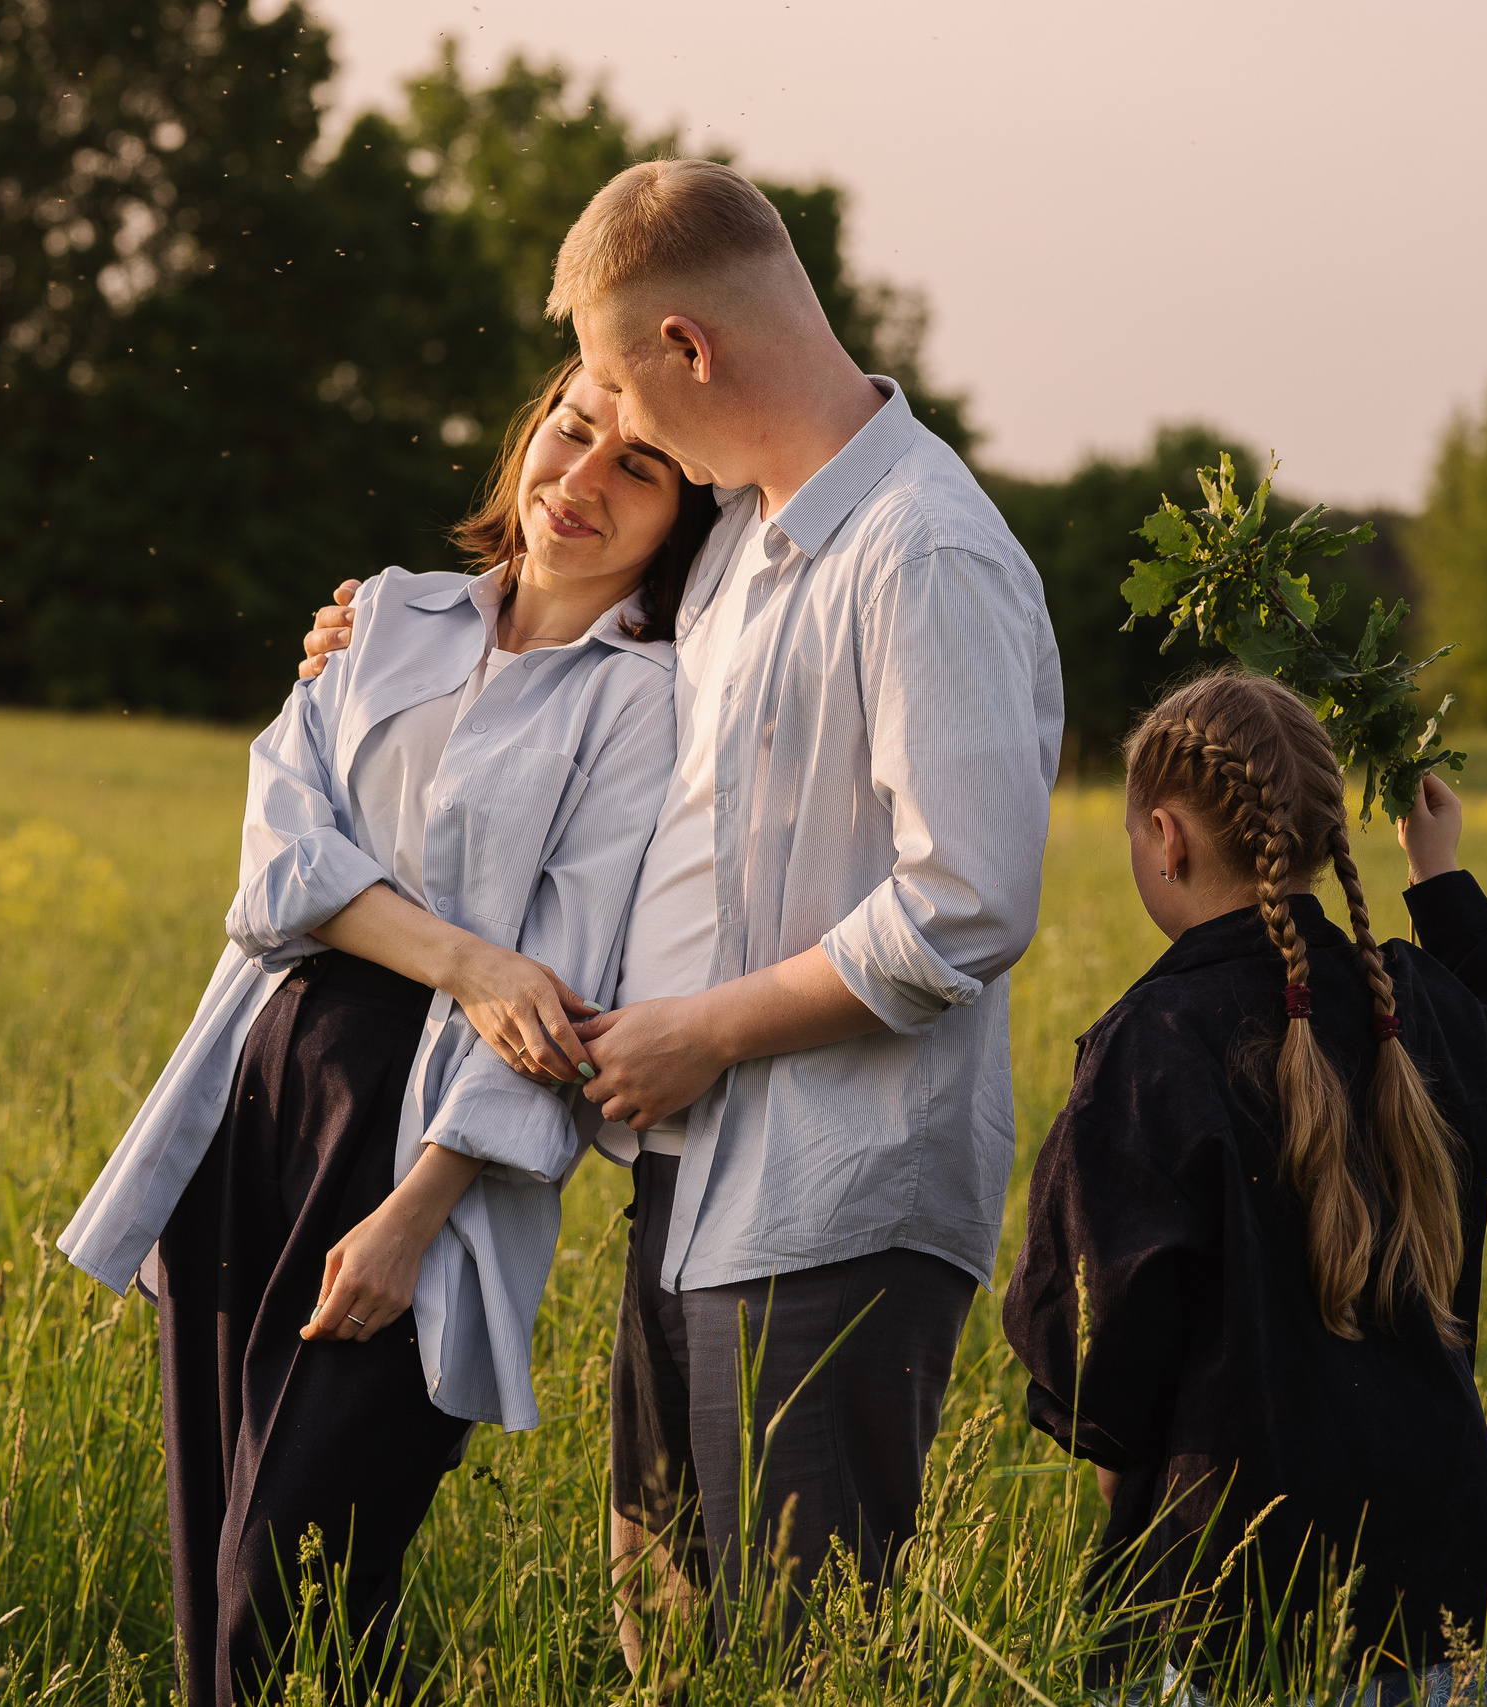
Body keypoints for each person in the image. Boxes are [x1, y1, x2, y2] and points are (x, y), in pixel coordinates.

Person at [303, 157, 1064, 1655]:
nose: (609, 424)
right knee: (663, 1636)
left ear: (687, 352)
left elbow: (969, 900)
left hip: (831, 1194)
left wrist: (705, 1031)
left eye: (612, 382)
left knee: (797, 1648)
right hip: (691, 1182)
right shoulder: (747, 550)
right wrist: (380, 639)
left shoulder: (927, 551)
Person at [61, 354, 710, 1707]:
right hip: (259, 1085)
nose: (581, 478)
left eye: (636, 465)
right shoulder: (392, 614)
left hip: (423, 1140)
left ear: (683, 510)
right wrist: (468, 958)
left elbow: (567, 990)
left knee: (289, 1592)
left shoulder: (642, 701)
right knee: (217, 1567)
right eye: (570, 432)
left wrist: (419, 1210)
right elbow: (276, 868)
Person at [1001, 670, 1487, 1703]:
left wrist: (1114, 1449)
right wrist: (1436, 876)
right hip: (1434, 1593)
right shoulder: (1410, 1007)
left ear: (1166, 839)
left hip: (1229, 1609)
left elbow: (1090, 1351)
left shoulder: (1154, 1045)